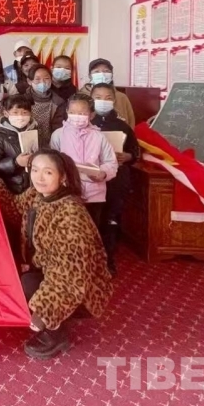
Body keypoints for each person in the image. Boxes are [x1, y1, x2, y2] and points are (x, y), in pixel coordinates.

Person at [0, 149, 113, 359]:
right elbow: (13, 208)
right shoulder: (37, 195)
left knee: (26, 284)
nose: (39, 177)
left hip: (80, 289)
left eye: (48, 172)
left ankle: (56, 333)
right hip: (50, 272)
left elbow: (70, 276)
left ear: (63, 176)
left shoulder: (71, 215)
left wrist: (45, 311)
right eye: (35, 170)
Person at [90, 83, 140, 275]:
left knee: (111, 219)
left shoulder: (122, 125)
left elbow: (135, 151)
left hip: (116, 180)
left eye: (108, 98)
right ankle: (91, 259)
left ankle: (108, 260)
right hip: (92, 179)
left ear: (114, 100)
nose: (103, 101)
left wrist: (127, 156)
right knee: (93, 219)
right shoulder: (86, 124)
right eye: (98, 97)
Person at [50, 94, 118, 225]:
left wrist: (103, 173)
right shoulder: (58, 135)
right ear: (67, 112)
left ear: (91, 115)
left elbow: (111, 162)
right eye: (72, 112)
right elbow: (53, 163)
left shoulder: (99, 137)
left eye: (82, 113)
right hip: (66, 193)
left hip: (94, 194)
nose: (77, 116)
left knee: (92, 228)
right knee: (68, 228)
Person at [0, 95, 38, 194]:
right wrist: (16, 163)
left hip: (35, 185)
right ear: (6, 113)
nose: (20, 116)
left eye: (24, 112)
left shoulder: (36, 131)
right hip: (12, 187)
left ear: (30, 113)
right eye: (15, 112)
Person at [80, 58, 136, 127]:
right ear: (90, 75)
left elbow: (130, 122)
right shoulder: (81, 97)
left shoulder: (122, 97)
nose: (102, 74)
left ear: (111, 75)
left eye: (106, 71)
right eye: (96, 71)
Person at [25, 64, 67, 147]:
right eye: (37, 79)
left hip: (50, 144)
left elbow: (57, 127)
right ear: (29, 81)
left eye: (46, 78)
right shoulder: (22, 100)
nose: (43, 82)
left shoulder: (59, 102)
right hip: (28, 143)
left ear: (51, 80)